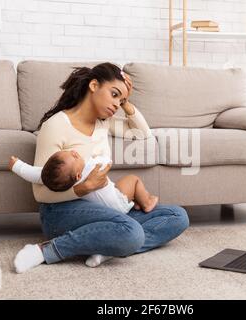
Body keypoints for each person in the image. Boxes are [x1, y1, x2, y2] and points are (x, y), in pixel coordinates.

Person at [13, 62, 189, 273]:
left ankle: (108, 246)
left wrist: (127, 103)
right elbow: (40, 193)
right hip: (61, 212)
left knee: (177, 217)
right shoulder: (56, 125)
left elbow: (143, 134)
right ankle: (46, 251)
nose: (117, 104)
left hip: (105, 207)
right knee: (132, 233)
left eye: (121, 100)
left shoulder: (103, 123)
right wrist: (83, 188)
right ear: (94, 85)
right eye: (114, 95)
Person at [8, 151, 159, 213]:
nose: (74, 152)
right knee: (133, 179)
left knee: (122, 187)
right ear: (78, 175)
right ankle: (146, 202)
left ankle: (135, 201)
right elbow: (107, 161)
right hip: (118, 203)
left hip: (103, 211)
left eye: (69, 152)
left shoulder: (63, 180)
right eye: (73, 156)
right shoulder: (90, 168)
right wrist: (96, 156)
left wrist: (18, 166)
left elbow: (36, 174)